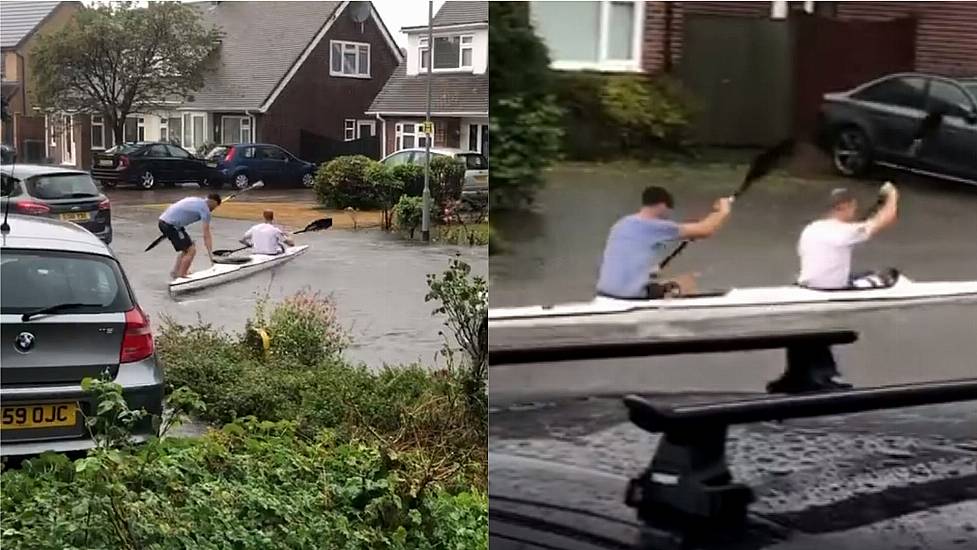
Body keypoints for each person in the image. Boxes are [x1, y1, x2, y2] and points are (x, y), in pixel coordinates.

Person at [596, 186, 733, 299]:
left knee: (663, 283)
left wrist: (648, 272)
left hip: (604, 292)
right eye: (669, 211)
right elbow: (705, 230)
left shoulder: (622, 224)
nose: (669, 216)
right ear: (662, 206)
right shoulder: (657, 225)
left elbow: (626, 256)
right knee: (687, 283)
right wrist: (723, 210)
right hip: (629, 296)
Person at [797, 182, 899, 290]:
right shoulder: (844, 231)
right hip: (831, 289)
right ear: (844, 206)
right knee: (889, 275)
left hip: (806, 285)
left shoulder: (810, 228)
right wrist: (892, 196)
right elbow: (887, 219)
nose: (854, 211)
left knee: (867, 273)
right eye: (853, 207)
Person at [158, 193, 221, 279]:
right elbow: (206, 234)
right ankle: (182, 275)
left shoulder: (196, 200)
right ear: (212, 202)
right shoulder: (205, 210)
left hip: (164, 221)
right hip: (171, 225)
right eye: (215, 207)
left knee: (187, 248)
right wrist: (211, 254)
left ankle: (176, 272)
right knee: (191, 250)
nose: (213, 210)